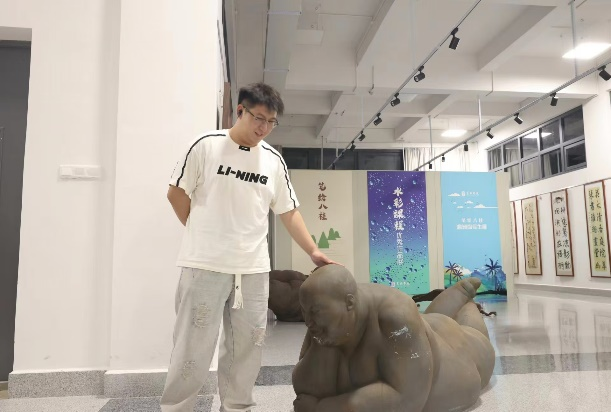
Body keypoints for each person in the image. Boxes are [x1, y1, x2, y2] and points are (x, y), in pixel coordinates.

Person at [161, 82, 335, 412]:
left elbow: (288, 211)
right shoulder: (206, 146)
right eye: (258, 118)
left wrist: (313, 251)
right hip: (205, 265)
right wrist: (199, 231)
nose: (263, 128)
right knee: (192, 347)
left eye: (271, 122)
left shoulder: (272, 160)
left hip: (253, 270)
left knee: (248, 348)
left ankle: (237, 408)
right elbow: (176, 193)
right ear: (240, 111)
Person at [292, 264, 495, 412]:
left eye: (315, 312)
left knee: (471, 334)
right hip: (424, 330)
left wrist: (322, 407)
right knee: (430, 321)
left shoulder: (396, 315)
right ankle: (458, 294)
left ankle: (467, 300)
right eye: (304, 311)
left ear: (350, 303)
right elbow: (304, 386)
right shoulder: (327, 318)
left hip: (460, 357)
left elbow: (407, 400)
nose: (308, 322)